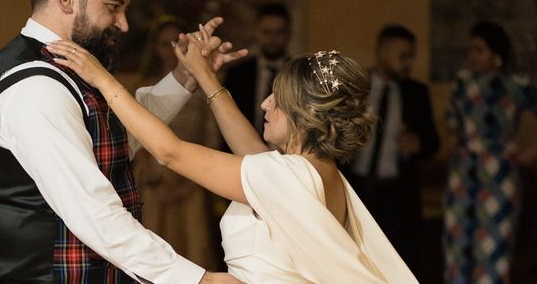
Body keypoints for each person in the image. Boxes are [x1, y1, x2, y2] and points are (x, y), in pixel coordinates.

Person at [0, 0, 244, 284]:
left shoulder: (68, 64)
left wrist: (186, 76)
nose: (123, 24)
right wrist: (197, 280)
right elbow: (93, 212)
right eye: (114, 7)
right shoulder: (34, 87)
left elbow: (114, 135)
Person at [47, 27, 419, 283]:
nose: (264, 104)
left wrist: (102, 80)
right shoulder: (316, 171)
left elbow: (170, 152)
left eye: (277, 99)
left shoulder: (285, 175)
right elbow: (255, 155)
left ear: (304, 117)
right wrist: (205, 77)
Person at [443, 21, 537, 284]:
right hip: (463, 173)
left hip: (500, 174)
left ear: (496, 54)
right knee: (457, 245)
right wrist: (454, 141)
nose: (472, 55)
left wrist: (532, 152)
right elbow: (452, 122)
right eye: (470, 49)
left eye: (479, 49)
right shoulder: (462, 82)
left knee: (494, 246)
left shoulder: (518, 84)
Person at [346, 24, 439, 274]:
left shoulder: (416, 92)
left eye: (412, 56)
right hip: (356, 188)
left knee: (397, 265)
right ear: (383, 52)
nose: (408, 62)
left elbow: (432, 143)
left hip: (398, 194)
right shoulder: (356, 86)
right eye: (403, 55)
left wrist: (418, 144)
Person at [131, 15, 221, 269]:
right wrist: (153, 174)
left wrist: (193, 179)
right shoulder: (142, 87)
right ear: (154, 47)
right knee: (152, 246)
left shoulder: (203, 87)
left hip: (193, 177)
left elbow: (211, 136)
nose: (170, 49)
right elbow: (134, 137)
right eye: (164, 43)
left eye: (176, 43)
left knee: (194, 246)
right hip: (153, 179)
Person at [223, 2, 292, 137]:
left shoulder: (296, 73)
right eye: (266, 32)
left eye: (279, 32)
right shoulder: (237, 73)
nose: (272, 39)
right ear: (256, 32)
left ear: (288, 34)